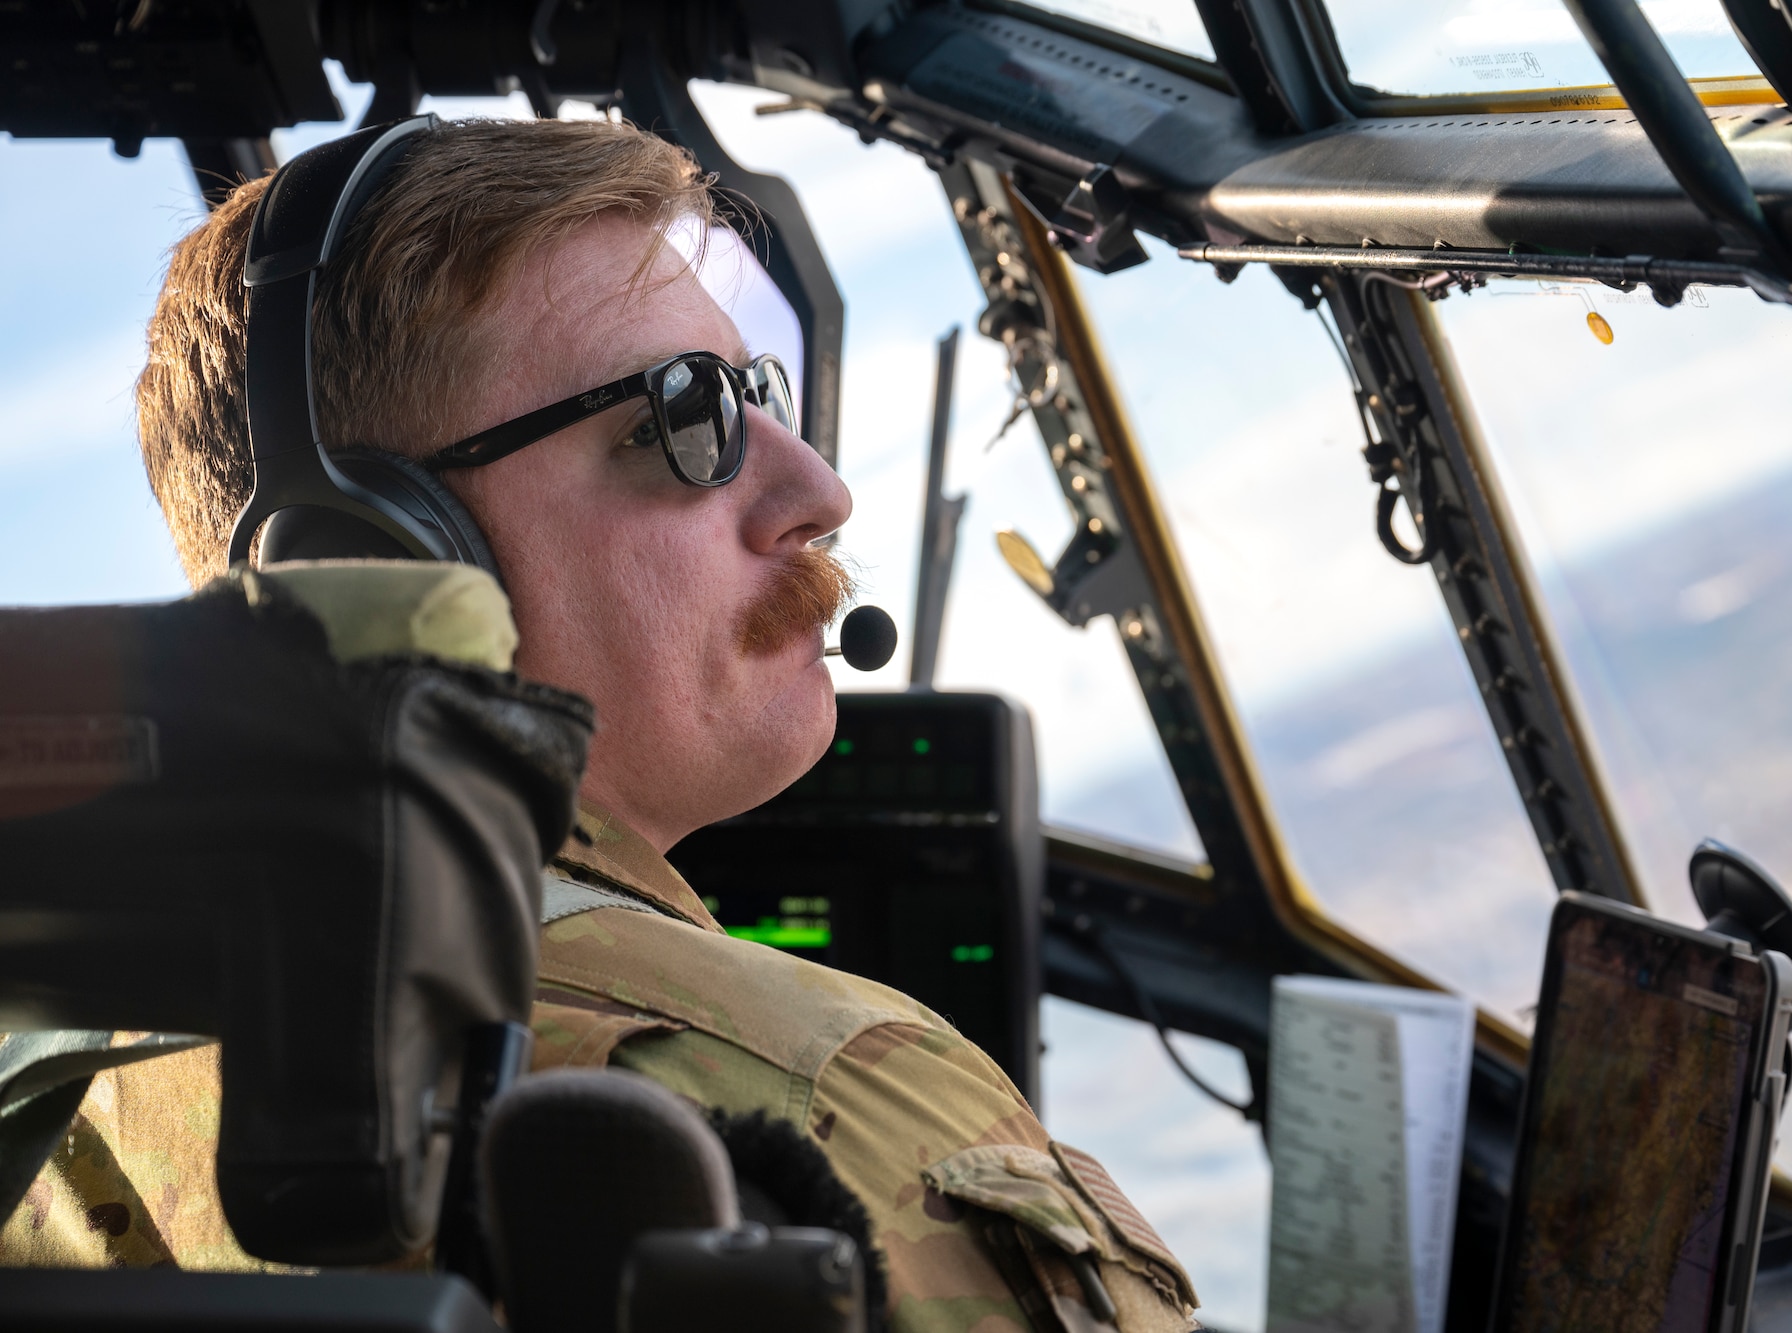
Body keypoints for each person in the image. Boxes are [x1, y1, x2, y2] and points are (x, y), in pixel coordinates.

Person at [0, 116, 1200, 1332]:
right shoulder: (802, 1105)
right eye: (686, 418)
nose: (819, 493)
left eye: (758, 391)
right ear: (376, 558)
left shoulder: (56, 1098)